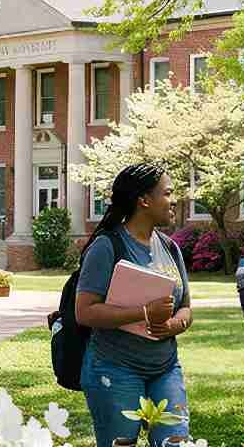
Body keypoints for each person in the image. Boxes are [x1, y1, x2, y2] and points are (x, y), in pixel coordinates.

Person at [75, 164, 193, 447]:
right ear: (144, 200)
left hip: (165, 368)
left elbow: (186, 307)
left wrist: (172, 325)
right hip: (115, 368)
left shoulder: (170, 248)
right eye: (167, 193)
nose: (173, 200)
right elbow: (84, 311)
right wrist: (143, 313)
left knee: (175, 442)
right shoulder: (107, 246)